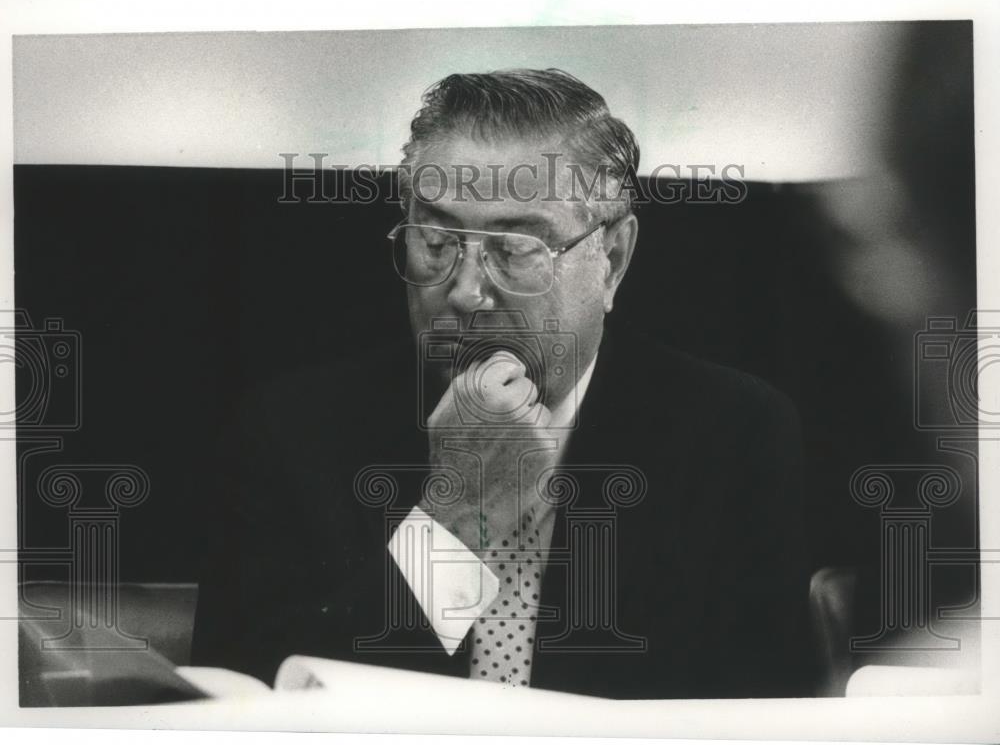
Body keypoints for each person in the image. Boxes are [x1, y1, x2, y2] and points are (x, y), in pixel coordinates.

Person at [192, 68, 816, 699]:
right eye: (436, 242)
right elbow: (246, 705)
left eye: (515, 250)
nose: (465, 291)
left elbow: (761, 713)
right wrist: (450, 520)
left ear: (613, 260)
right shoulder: (291, 431)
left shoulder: (733, 433)